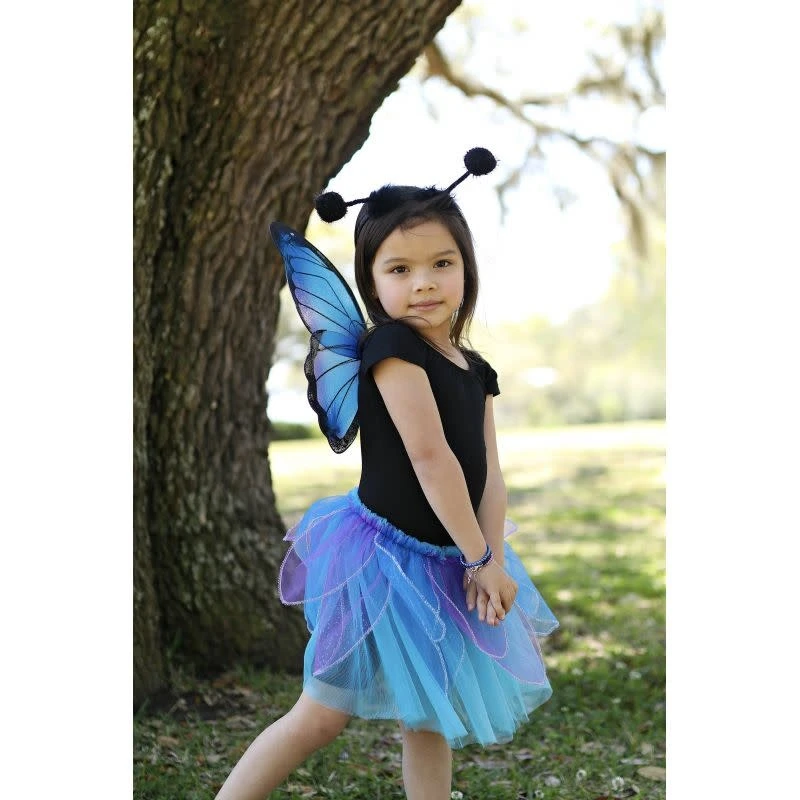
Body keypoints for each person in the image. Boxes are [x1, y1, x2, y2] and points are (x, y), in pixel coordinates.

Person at [215, 148, 558, 800]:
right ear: (372, 284)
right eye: (400, 269)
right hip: (381, 562)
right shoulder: (392, 348)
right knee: (321, 714)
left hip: (450, 558)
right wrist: (477, 555)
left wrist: (491, 559)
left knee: (428, 716)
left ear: (467, 268)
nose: (423, 282)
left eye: (442, 264)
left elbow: (490, 475)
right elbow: (431, 459)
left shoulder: (475, 369)